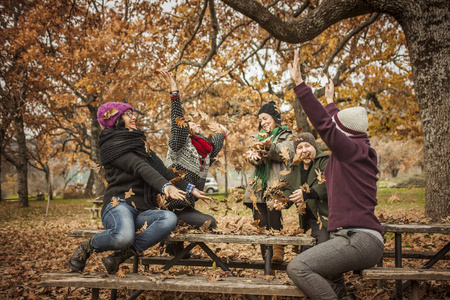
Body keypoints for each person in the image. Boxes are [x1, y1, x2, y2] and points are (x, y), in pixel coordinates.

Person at [68, 102, 211, 274]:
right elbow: (140, 167)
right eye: (128, 114)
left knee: (168, 219)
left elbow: (163, 170)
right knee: (123, 236)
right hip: (118, 205)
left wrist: (190, 188)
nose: (133, 117)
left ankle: (121, 256)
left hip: (141, 210)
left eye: (132, 113)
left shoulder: (139, 143)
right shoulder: (111, 147)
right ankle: (88, 246)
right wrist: (165, 187)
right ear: (116, 119)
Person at [286, 50, 384, 300]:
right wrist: (331, 102)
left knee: (299, 267)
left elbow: (327, 126)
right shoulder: (358, 149)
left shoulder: (349, 151)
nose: (330, 138)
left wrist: (300, 86)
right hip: (352, 236)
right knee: (329, 275)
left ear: (344, 135)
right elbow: (335, 124)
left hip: (357, 239)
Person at [157, 69, 226, 256]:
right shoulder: (180, 143)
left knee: (209, 223)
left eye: (195, 122)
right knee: (207, 223)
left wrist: (222, 133)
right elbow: (177, 122)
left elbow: (214, 148)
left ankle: (176, 253)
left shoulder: (202, 151)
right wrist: (174, 93)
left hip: (186, 205)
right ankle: (172, 247)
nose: (195, 123)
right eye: (190, 122)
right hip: (169, 205)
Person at [274, 132, 348, 298]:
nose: (304, 150)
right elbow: (289, 190)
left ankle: (338, 290)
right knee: (305, 257)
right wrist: (283, 201)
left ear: (314, 147)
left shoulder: (326, 161)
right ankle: (327, 290)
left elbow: (329, 184)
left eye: (307, 146)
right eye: (300, 147)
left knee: (324, 256)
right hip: (307, 221)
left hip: (326, 218)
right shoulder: (295, 167)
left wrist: (308, 193)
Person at [244, 100, 294, 264]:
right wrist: (255, 157)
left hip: (275, 184)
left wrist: (270, 146)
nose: (263, 123)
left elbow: (285, 153)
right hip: (258, 187)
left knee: (274, 218)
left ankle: (278, 250)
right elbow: (257, 162)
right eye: (260, 120)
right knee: (261, 224)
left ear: (275, 117)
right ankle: (266, 260)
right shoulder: (257, 137)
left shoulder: (287, 135)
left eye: (265, 118)